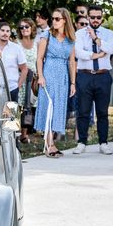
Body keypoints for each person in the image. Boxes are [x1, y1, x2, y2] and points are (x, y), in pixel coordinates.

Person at [73, 5, 113, 155]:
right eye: (93, 17)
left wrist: (96, 39)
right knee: (83, 110)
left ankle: (103, 142)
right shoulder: (79, 34)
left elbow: (111, 49)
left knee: (102, 112)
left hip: (103, 76)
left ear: (102, 18)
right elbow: (78, 52)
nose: (96, 20)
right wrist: (96, 55)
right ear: (88, 17)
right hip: (84, 75)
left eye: (98, 17)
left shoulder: (109, 33)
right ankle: (82, 142)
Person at [34, 8, 76, 157]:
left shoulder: (70, 39)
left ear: (65, 20)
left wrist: (73, 83)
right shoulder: (47, 36)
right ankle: (50, 144)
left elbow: (72, 62)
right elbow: (39, 58)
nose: (54, 21)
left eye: (57, 19)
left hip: (63, 78)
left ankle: (49, 143)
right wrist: (41, 76)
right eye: (53, 18)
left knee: (58, 108)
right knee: (49, 107)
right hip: (49, 74)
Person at [16, 17, 39, 143]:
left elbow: (39, 61)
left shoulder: (37, 44)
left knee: (28, 106)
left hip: (32, 80)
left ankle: (24, 134)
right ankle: (14, 133)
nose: (24, 29)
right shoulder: (16, 43)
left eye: (26, 27)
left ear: (32, 28)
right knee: (16, 105)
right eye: (21, 27)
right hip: (19, 77)